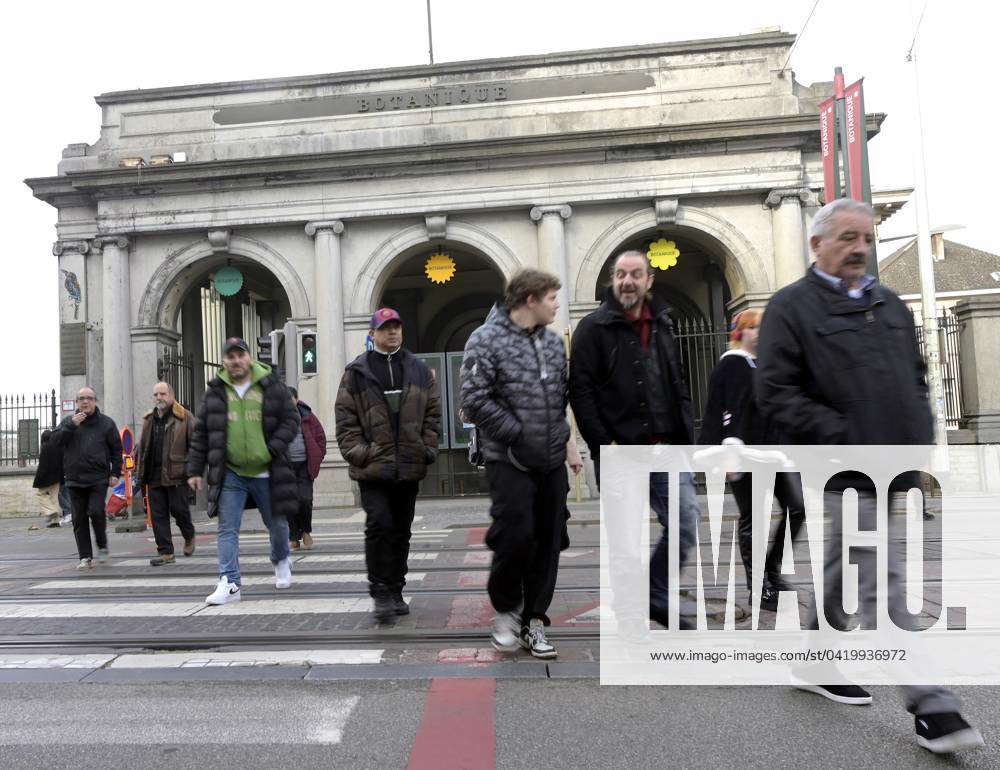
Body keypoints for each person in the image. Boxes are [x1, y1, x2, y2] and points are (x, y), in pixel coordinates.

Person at [757, 197, 983, 754]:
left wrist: (920, 435)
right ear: (817, 244)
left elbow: (916, 377)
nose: (861, 248)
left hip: (895, 467)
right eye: (848, 238)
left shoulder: (889, 303)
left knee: (847, 571)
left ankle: (815, 661)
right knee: (881, 582)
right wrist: (842, 435)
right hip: (841, 470)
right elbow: (775, 394)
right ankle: (933, 705)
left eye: (866, 238)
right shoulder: (791, 308)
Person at [569, 250, 697, 631]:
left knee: (686, 521)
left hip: (665, 447)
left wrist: (685, 440)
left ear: (649, 280)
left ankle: (655, 594)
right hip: (620, 453)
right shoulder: (594, 327)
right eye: (621, 274)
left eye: (636, 274)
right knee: (625, 542)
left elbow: (676, 382)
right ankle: (629, 617)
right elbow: (581, 390)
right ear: (612, 279)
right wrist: (602, 444)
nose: (628, 281)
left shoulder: (664, 323)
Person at [461, 269, 582, 658]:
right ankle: (507, 609)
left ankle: (534, 621)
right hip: (509, 460)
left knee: (548, 541)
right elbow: (474, 399)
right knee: (515, 537)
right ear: (530, 299)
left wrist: (569, 445)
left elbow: (558, 401)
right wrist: (516, 432)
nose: (556, 305)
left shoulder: (550, 343)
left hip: (551, 461)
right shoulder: (485, 339)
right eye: (551, 298)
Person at [335, 308, 441, 622]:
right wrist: (361, 452)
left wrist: (427, 448)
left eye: (396, 326)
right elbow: (345, 420)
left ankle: (396, 588)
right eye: (385, 328)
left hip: (408, 465)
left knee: (401, 531)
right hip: (374, 468)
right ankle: (380, 590)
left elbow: (433, 414)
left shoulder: (419, 370)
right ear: (373, 333)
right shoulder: (356, 372)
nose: (392, 332)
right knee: (379, 525)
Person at [698, 309, 805, 611]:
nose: (760, 332)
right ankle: (758, 588)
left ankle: (772, 568)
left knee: (797, 507)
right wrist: (730, 454)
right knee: (753, 519)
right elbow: (728, 409)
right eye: (754, 327)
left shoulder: (765, 364)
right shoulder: (732, 364)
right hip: (743, 452)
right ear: (741, 332)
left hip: (774, 452)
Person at [187, 337, 300, 604]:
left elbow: (291, 418)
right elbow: (201, 432)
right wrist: (194, 469)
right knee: (227, 528)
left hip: (267, 470)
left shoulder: (270, 385)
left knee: (277, 524)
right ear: (224, 361)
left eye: (240, 355)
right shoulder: (216, 392)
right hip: (231, 472)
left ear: (249, 358)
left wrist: (272, 448)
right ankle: (229, 582)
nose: (236, 361)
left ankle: (281, 558)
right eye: (231, 357)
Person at [52, 387, 122, 569]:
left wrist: (115, 473)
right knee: (79, 518)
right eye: (81, 399)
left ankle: (102, 546)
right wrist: (70, 426)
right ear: (76, 402)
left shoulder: (106, 424)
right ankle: (85, 557)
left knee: (97, 512)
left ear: (95, 401)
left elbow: (116, 449)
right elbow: (54, 442)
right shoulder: (68, 422)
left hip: (98, 478)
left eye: (89, 398)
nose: (85, 402)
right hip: (74, 479)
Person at [136, 382, 197, 566]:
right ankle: (166, 553)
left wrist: (193, 471)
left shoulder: (184, 417)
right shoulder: (148, 419)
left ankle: (189, 534)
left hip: (177, 475)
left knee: (179, 511)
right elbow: (144, 448)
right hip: (153, 476)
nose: (159, 398)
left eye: (162, 394)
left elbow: (196, 446)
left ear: (171, 395)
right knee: (158, 516)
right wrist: (140, 474)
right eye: (156, 394)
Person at [287, 387, 327, 551]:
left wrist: (318, 456)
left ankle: (306, 531)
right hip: (286, 467)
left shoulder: (308, 416)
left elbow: (321, 438)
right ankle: (294, 536)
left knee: (305, 500)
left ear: (296, 399)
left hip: (304, 465)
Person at [32, 429, 64, 528]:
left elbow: (43, 466)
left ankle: (51, 511)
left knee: (40, 494)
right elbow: (62, 463)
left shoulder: (45, 447)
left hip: (46, 477)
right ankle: (55, 521)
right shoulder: (58, 447)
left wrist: (39, 479)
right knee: (54, 497)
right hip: (57, 477)